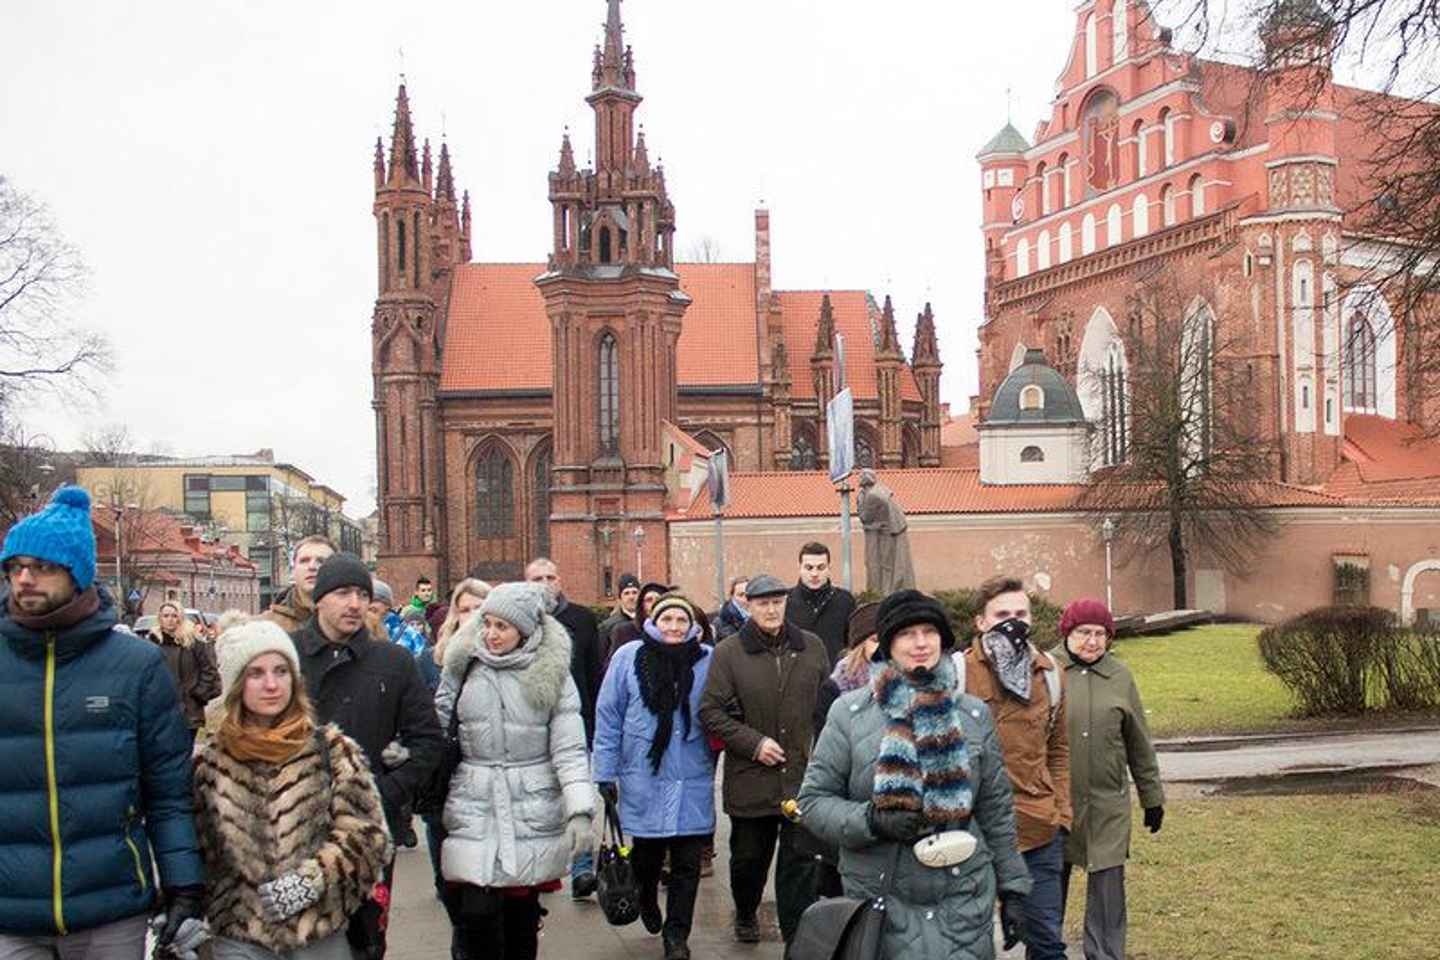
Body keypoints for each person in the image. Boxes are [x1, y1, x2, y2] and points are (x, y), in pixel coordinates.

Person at [0, 486, 206, 957]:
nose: (25, 578)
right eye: (15, 567)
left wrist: (184, 884)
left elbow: (168, 789)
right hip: (11, 913)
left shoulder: (135, 664)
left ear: (77, 573)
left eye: (43, 566)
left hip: (112, 909)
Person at [798, 589, 1033, 959]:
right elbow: (812, 802)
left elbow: (995, 810)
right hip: (880, 903)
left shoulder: (972, 715)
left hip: (963, 903)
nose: (921, 643)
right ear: (887, 644)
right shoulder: (849, 714)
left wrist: (1014, 888)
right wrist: (871, 821)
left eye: (930, 631)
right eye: (907, 633)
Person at [192, 618, 393, 960]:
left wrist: (311, 881)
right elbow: (200, 853)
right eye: (256, 673)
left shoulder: (331, 750)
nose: (271, 684)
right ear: (236, 684)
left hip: (318, 932)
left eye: (281, 671)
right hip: (241, 938)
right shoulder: (210, 764)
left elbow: (368, 837)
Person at [291, 552, 442, 959]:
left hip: (370, 833)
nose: (355, 603)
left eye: (362, 594)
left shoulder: (392, 662)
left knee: (366, 942)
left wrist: (384, 794)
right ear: (319, 599)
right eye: (343, 593)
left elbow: (428, 741)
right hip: (297, 832)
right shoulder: (286, 657)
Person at [435, 582, 594, 960]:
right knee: (475, 913)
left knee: (521, 917)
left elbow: (569, 748)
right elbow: (436, 720)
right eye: (486, 623)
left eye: (501, 627)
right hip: (474, 799)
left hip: (531, 803)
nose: (490, 634)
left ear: (523, 630)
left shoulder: (552, 672)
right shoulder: (464, 663)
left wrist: (580, 810)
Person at [698, 573, 829, 947]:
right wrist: (753, 743)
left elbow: (828, 703)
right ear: (749, 606)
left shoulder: (812, 647)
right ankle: (744, 910)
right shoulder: (728, 652)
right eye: (762, 603)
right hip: (751, 778)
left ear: (785, 604)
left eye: (777, 602)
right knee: (748, 862)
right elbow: (711, 711)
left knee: (799, 866)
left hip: (802, 778)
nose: (771, 609)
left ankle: (796, 934)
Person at [593, 592, 716, 960]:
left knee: (687, 864)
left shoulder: (708, 660)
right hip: (643, 774)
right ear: (653, 622)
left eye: (681, 620)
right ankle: (646, 898)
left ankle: (677, 935)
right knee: (645, 858)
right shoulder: (628, 658)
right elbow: (609, 715)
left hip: (692, 773)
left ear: (692, 625)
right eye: (667, 620)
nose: (674, 627)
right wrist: (605, 772)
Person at [965, 576, 1071, 960]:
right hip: (973, 833)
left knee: (1047, 942)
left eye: (1020, 613)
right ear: (980, 622)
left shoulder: (1051, 674)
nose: (1013, 621)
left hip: (1038, 829)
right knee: (970, 945)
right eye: (1002, 614)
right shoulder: (957, 674)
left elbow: (1059, 750)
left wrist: (1062, 815)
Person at [1055, 600, 1164, 960]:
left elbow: (1138, 742)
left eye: (1100, 634)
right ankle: (1043, 951)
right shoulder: (1046, 669)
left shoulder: (1120, 676)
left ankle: (1105, 955)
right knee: (1048, 890)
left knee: (1108, 892)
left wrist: (1152, 798)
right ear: (1067, 633)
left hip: (1107, 803)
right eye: (1084, 632)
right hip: (1056, 803)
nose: (1092, 641)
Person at [524, 557, 602, 899]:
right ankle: (538, 866)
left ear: (560, 580)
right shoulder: (518, 621)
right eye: (537, 578)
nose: (544, 583)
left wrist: (596, 724)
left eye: (550, 576)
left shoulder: (582, 619)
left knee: (577, 793)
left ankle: (582, 867)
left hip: (576, 721)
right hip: (529, 724)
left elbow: (594, 672)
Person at [422, 577, 492, 898]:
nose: (473, 616)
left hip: (489, 766)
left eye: (480, 608)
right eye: (466, 610)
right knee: (442, 830)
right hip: (448, 764)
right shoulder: (431, 659)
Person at [807, 601, 881, 899]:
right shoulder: (836, 689)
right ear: (860, 644)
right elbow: (829, 763)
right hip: (852, 809)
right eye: (876, 639)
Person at [147, 599, 222, 739]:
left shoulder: (193, 642)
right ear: (160, 618)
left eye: (174, 616)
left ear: (180, 618)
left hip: (189, 707)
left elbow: (209, 670)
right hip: (161, 709)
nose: (170, 620)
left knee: (184, 751)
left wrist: (198, 693)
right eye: (166, 616)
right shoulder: (152, 643)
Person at [785, 542, 856, 665]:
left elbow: (853, 644)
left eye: (821, 567)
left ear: (829, 568)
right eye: (809, 567)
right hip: (797, 678)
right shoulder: (785, 601)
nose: (814, 574)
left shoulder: (845, 601)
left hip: (835, 677)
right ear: (799, 567)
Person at [857, 469, 917, 594]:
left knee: (883, 564)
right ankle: (886, 590)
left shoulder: (873, 496)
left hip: (887, 533)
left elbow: (865, 517)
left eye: (860, 477)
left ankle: (884, 592)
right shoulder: (880, 490)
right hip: (889, 530)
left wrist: (860, 500)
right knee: (885, 564)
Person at [264, 536, 336, 634]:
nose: (312, 567)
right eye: (304, 561)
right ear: (294, 570)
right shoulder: (268, 626)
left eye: (321, 561)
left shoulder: (353, 622)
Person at [603, 581, 670, 671]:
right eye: (649, 600)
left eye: (658, 599)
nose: (654, 603)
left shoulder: (674, 632)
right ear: (641, 605)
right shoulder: (624, 631)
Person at [598, 574, 641, 649]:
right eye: (626, 593)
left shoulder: (646, 623)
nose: (631, 597)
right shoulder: (607, 626)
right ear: (620, 598)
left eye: (634, 592)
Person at [711, 577, 750, 642]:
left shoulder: (760, 617)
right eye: (741, 595)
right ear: (732, 597)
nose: (745, 598)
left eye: (748, 594)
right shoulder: (721, 622)